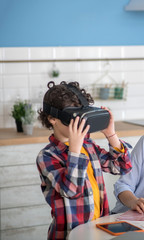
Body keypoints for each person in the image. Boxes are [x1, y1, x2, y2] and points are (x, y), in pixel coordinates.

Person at [36, 81, 132, 240]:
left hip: (99, 230)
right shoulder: (47, 156)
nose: (80, 123)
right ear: (52, 118)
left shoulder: (88, 146)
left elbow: (122, 167)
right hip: (69, 234)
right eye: (74, 117)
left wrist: (111, 135)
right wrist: (74, 150)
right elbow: (71, 190)